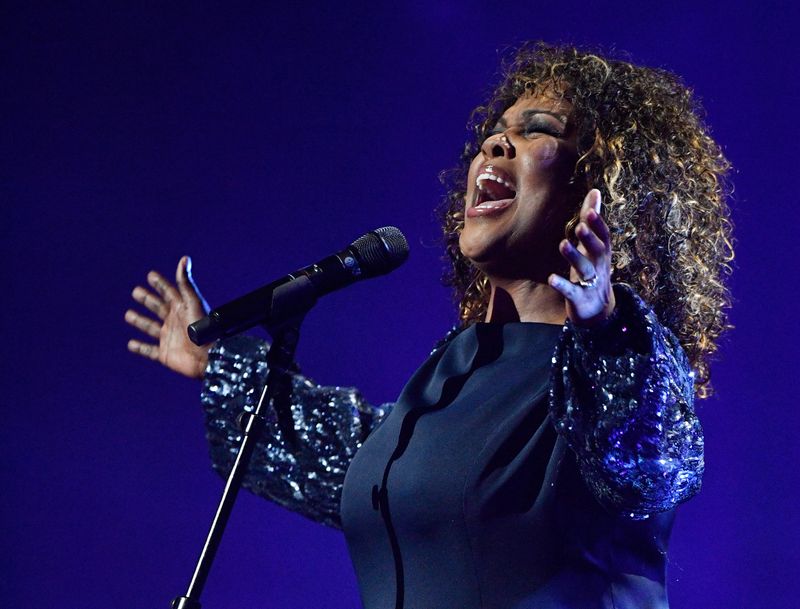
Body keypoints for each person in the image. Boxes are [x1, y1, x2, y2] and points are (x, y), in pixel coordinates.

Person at [125, 42, 733, 609]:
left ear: (602, 192)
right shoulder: (457, 367)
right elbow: (355, 460)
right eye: (494, 136)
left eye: (536, 132)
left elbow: (649, 464)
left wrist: (604, 323)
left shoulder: (626, 365)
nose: (496, 147)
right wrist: (222, 361)